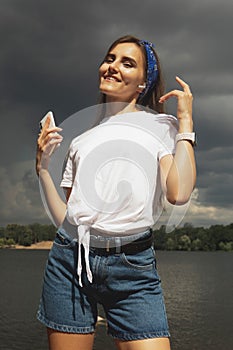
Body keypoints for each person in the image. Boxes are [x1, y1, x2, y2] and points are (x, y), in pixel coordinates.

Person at [36, 35, 196, 350]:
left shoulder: (162, 127)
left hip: (133, 268)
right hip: (70, 262)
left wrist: (186, 121)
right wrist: (42, 167)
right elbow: (69, 217)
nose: (112, 67)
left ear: (143, 83)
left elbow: (179, 194)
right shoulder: (81, 141)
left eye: (127, 63)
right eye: (110, 58)